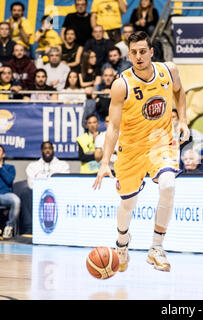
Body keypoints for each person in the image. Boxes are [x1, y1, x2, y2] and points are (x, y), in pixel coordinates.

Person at [92, 31, 190, 273]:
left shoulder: (169, 71)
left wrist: (184, 120)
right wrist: (105, 161)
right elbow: (113, 126)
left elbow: (179, 91)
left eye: (142, 51)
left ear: (151, 52)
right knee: (128, 204)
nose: (138, 56)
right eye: (133, 52)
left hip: (161, 142)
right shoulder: (120, 84)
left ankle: (156, 248)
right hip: (131, 149)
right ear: (129, 54)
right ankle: (122, 243)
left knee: (168, 185)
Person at [21, 141, 70, 235]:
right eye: (45, 148)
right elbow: (31, 184)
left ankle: (61, 229)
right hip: (37, 194)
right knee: (25, 192)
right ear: (41, 151)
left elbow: (63, 183)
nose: (47, 151)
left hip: (56, 195)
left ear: (53, 150)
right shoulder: (33, 166)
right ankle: (29, 229)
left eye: (49, 148)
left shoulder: (63, 165)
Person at [0, 145, 20, 239]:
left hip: (5, 195)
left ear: (3, 155)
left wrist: (0, 167)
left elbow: (9, 180)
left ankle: (9, 227)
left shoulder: (10, 168)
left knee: (16, 200)